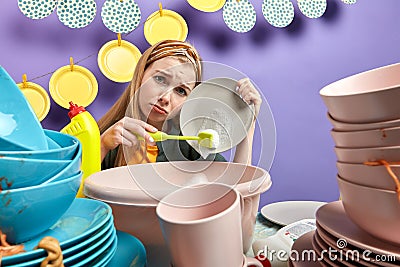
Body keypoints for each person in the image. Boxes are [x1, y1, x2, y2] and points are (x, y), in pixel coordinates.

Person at [98, 40, 262, 170]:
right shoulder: (108, 136)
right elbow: (77, 198)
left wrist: (248, 123)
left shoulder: (190, 146)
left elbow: (240, 192)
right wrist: (102, 146)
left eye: (181, 91)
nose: (165, 98)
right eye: (160, 79)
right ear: (140, 74)